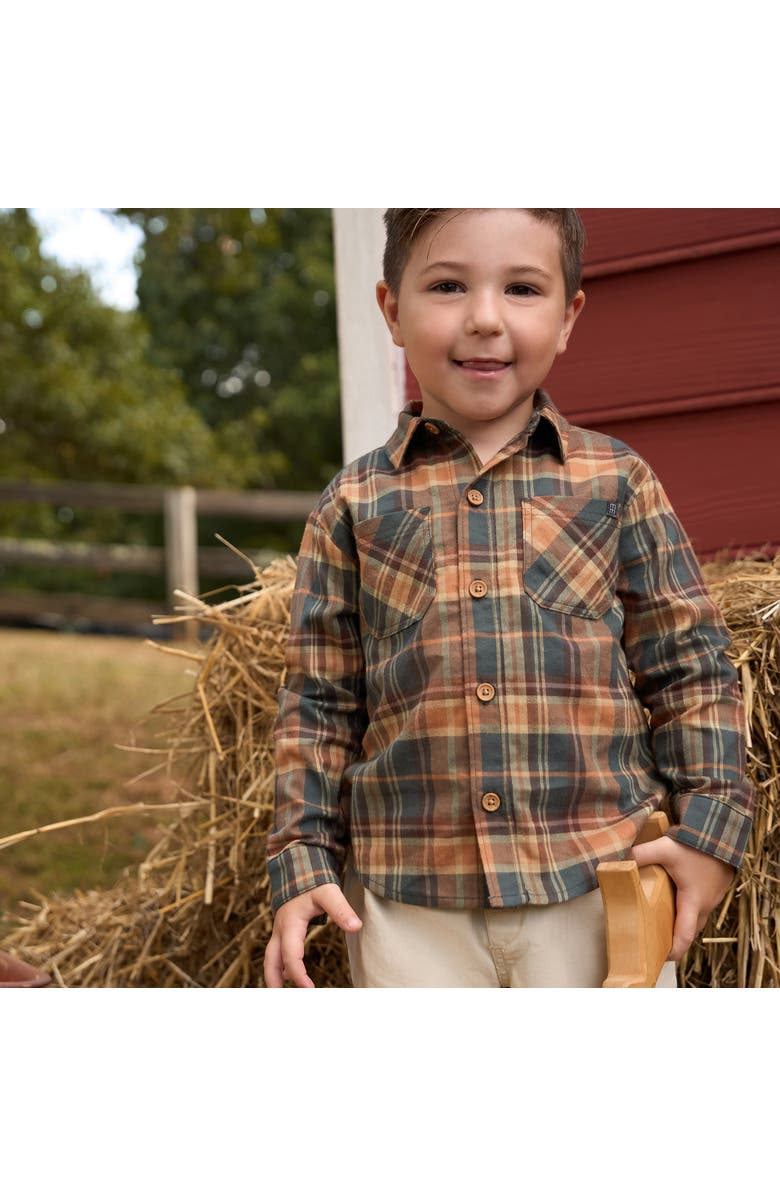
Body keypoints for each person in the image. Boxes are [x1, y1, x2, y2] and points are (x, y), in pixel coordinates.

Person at [263, 208, 754, 988]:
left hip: (599, 890)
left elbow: (690, 666)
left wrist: (711, 831)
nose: (484, 319)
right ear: (392, 311)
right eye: (449, 285)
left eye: (522, 288)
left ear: (568, 317)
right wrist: (300, 857)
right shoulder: (353, 504)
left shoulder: (615, 483)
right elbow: (317, 703)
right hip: (408, 908)